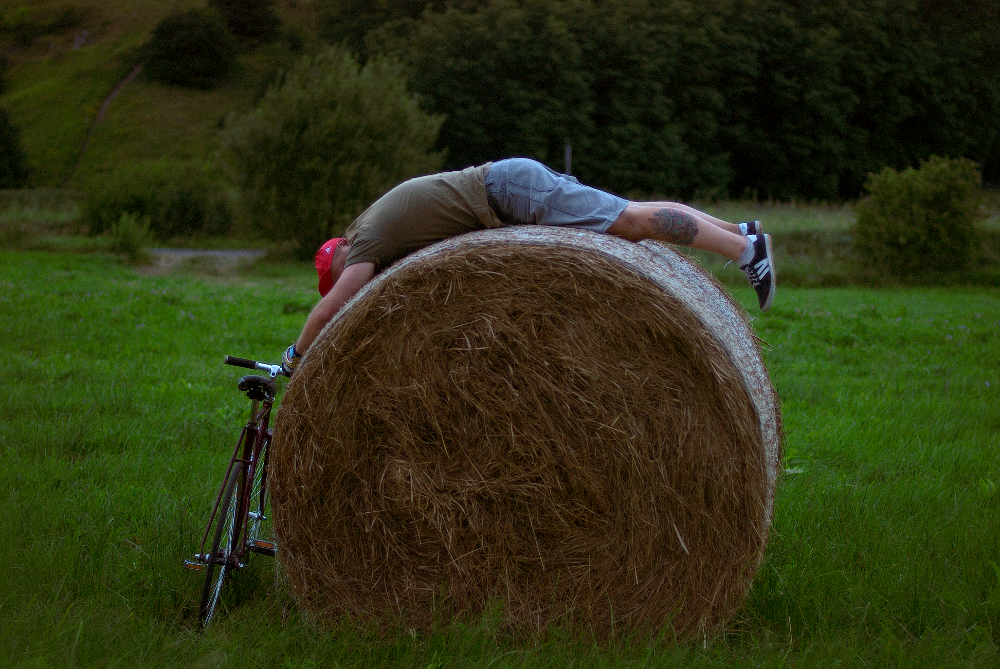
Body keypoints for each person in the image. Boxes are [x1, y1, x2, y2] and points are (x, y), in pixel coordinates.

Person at [281, 158, 775, 376]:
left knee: (630, 222)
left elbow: (330, 310)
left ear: (338, 254)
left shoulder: (364, 244)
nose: (346, 278)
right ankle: (741, 231)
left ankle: (743, 252)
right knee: (632, 212)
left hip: (512, 192)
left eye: (335, 274)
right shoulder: (377, 227)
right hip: (510, 186)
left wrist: (295, 356)